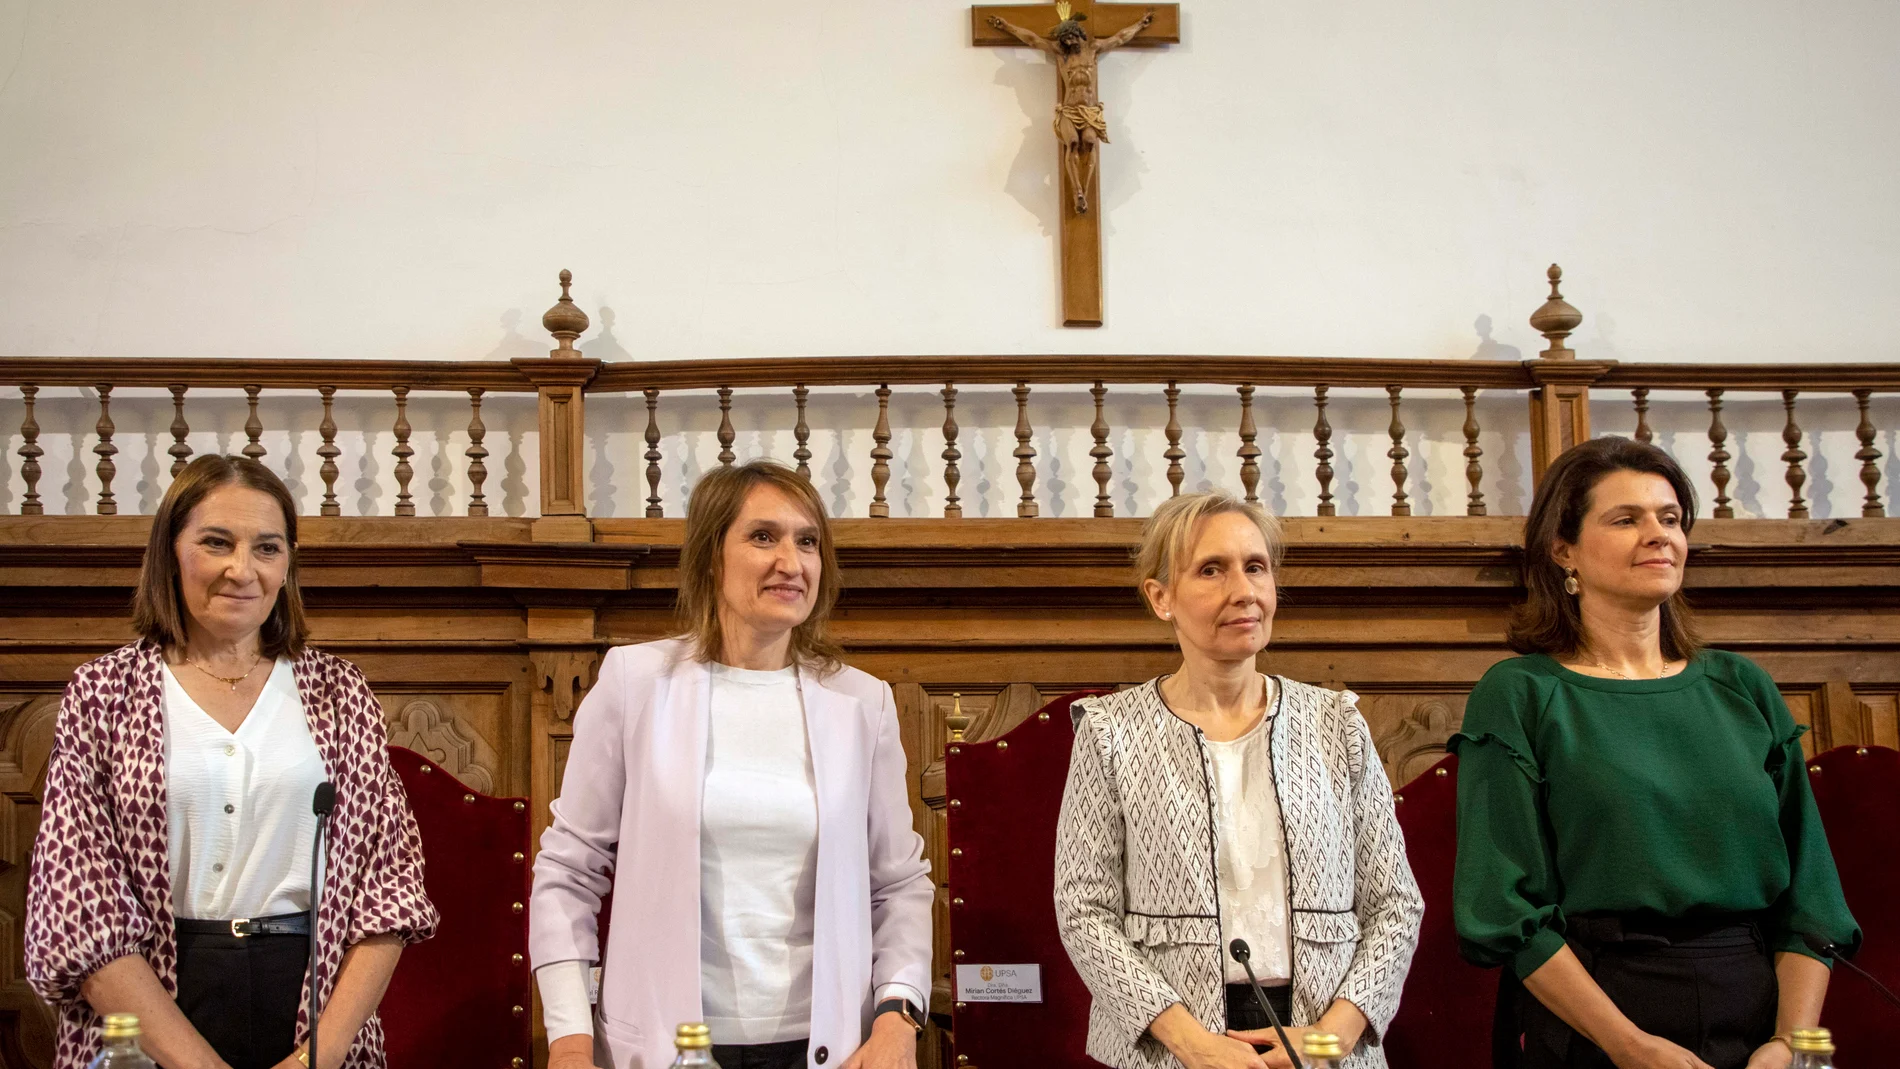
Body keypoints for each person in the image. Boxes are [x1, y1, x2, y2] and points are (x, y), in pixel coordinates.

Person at [1450, 436, 1860, 1069]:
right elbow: (1505, 910)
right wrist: (1628, 1046)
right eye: (1626, 519)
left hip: (1759, 1010)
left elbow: (1813, 898)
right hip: (1599, 1019)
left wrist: (1790, 1045)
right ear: (1565, 551)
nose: (1659, 535)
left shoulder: (1741, 687)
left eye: (1670, 519)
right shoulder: (1521, 693)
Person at [25, 455, 438, 1069]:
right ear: (171, 551)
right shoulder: (103, 693)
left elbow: (390, 890)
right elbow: (80, 908)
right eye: (216, 542)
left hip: (312, 1010)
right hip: (150, 1012)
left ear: (288, 563)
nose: (241, 570)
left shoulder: (340, 692)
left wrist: (315, 1060)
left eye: (266, 548)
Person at [531, 460, 933, 1069]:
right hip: (669, 1045)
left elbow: (898, 887)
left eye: (808, 542)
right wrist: (568, 1040)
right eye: (763, 536)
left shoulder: (861, 703)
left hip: (828, 1045)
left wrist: (899, 1020)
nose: (791, 563)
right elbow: (569, 872)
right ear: (711, 558)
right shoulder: (634, 683)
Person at [1054, 491, 1423, 1069]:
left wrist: (1327, 1041)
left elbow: (1396, 904)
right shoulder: (1110, 731)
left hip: (1322, 1044)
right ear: (1161, 598)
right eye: (1211, 570)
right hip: (1170, 1047)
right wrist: (1191, 1044)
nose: (1244, 591)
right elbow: (1084, 910)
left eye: (1256, 567)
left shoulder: (1336, 724)